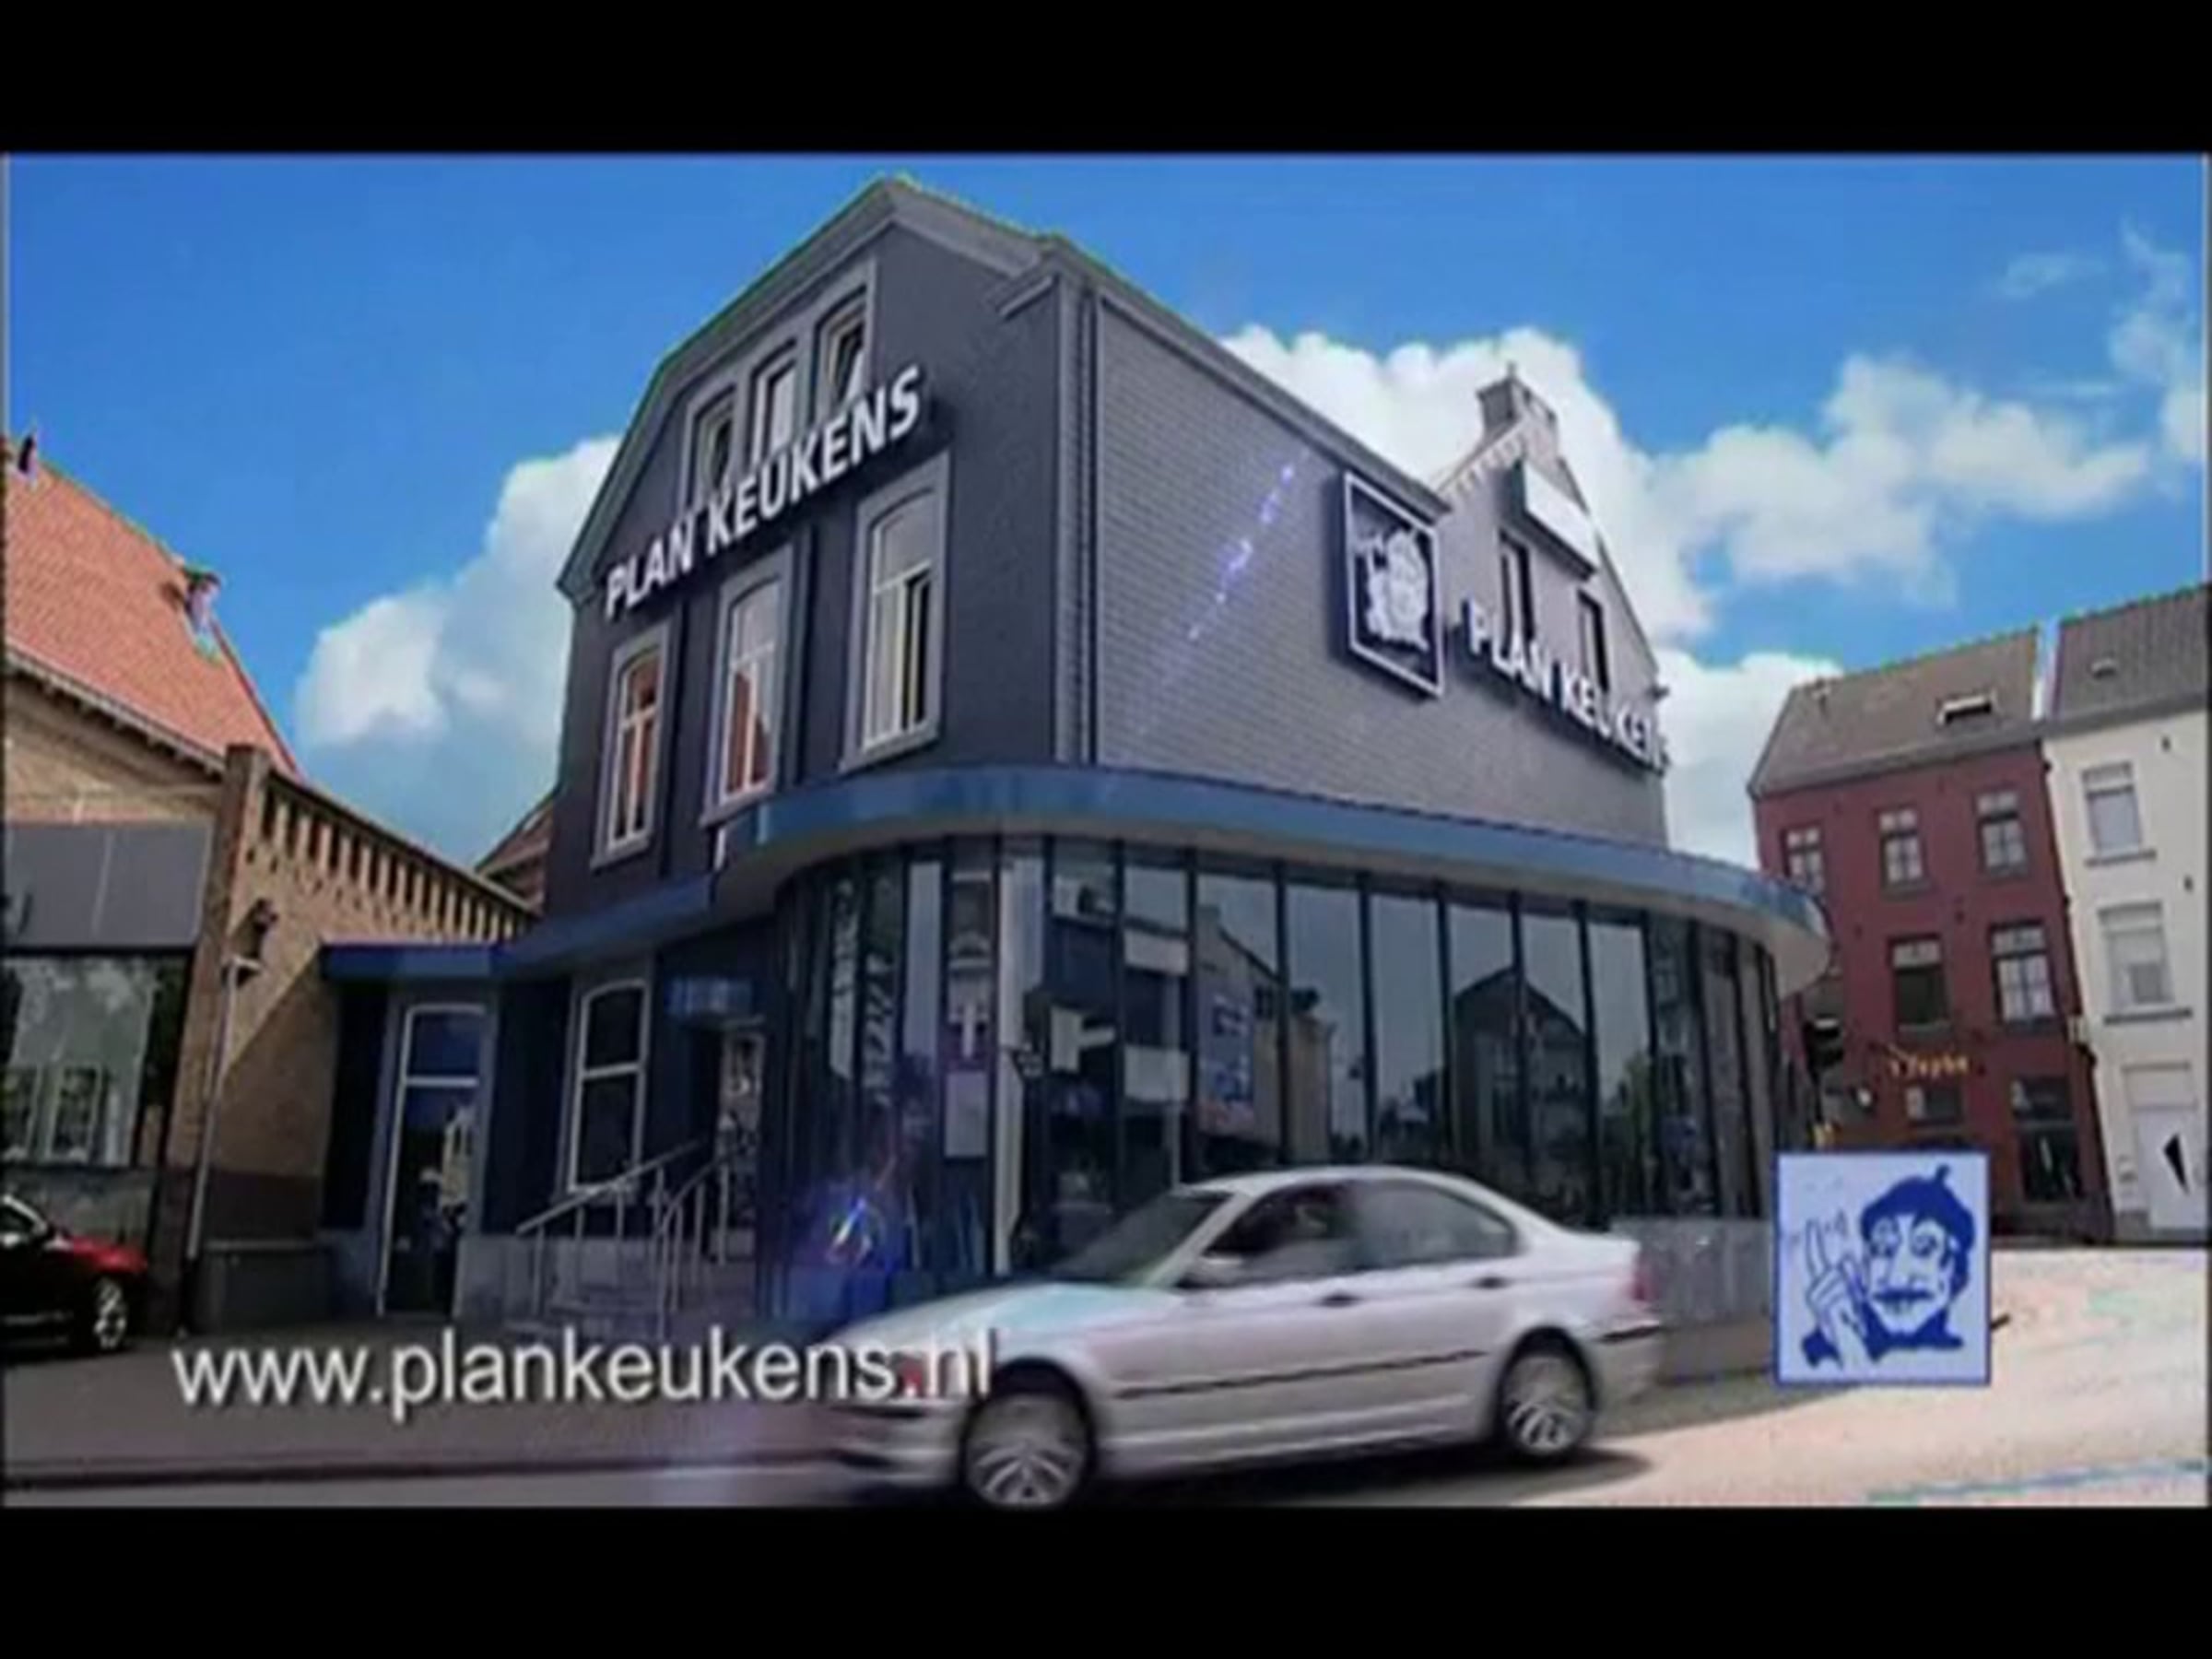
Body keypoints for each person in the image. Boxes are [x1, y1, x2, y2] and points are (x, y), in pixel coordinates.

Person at [1800, 1164, 1976, 1369]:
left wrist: (1853, 1351)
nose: (1897, 1277)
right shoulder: (1821, 1352)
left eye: (1924, 1248)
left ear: (1956, 1272)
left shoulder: (1964, 1353)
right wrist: (1842, 1332)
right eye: (1883, 1248)